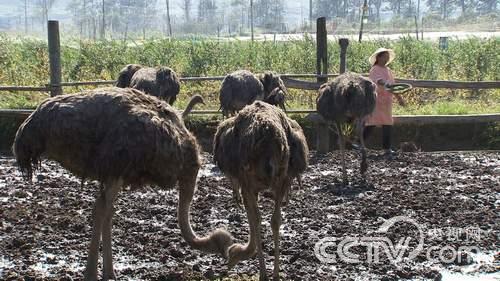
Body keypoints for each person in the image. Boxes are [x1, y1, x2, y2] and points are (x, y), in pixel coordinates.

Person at [364, 48, 405, 157]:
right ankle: (359, 143)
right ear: (379, 57)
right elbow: (378, 81)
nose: (386, 59)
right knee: (372, 122)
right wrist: (385, 83)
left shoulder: (388, 70)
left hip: (387, 101)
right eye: (384, 57)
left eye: (387, 57)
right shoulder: (375, 69)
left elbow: (393, 86)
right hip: (377, 99)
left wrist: (399, 97)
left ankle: (387, 148)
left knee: (387, 123)